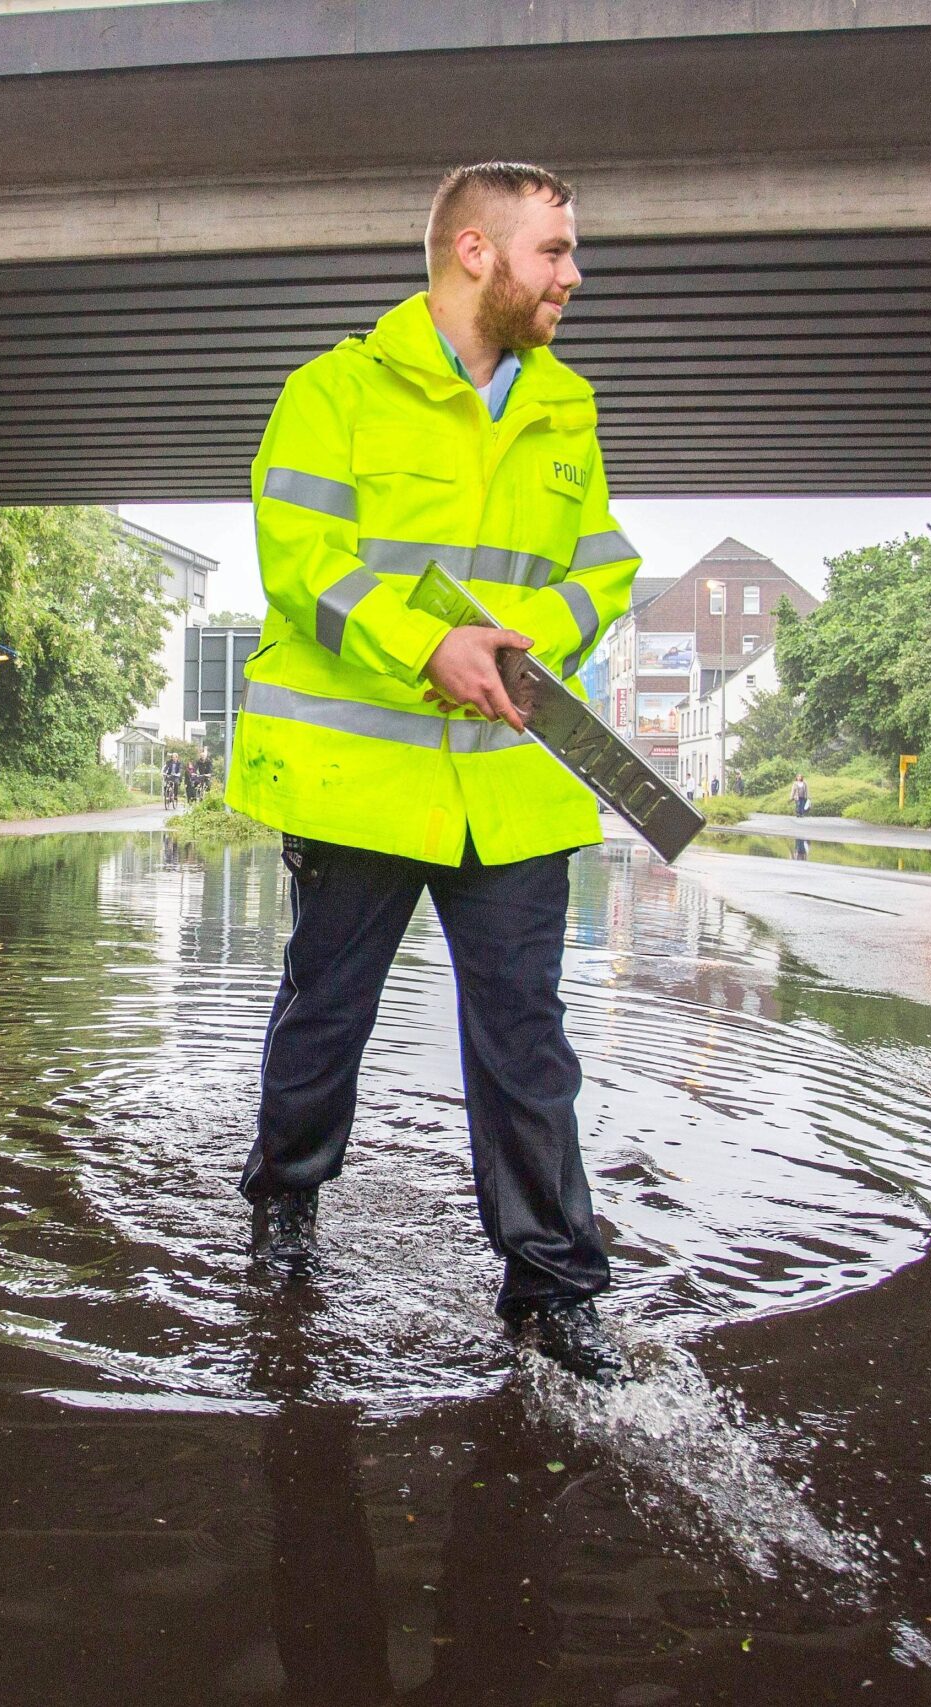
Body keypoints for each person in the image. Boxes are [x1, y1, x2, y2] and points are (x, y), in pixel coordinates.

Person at [226, 162, 642, 1383]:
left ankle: (555, 1289)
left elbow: (603, 566)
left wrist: (529, 641)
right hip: (363, 780)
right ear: (475, 252)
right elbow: (300, 558)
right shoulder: (336, 392)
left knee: (526, 1043)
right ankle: (285, 1207)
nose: (573, 273)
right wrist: (428, 644)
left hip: (509, 787)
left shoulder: (566, 408)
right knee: (325, 1015)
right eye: (554, 250)